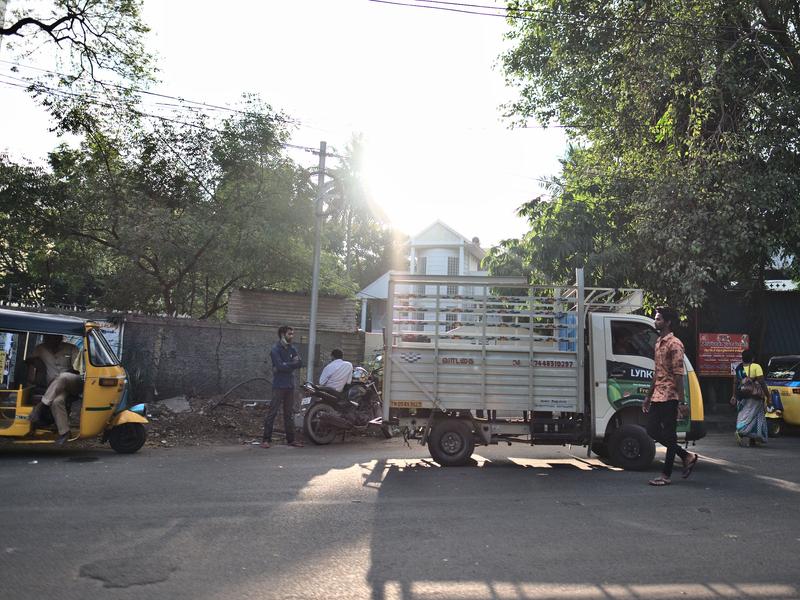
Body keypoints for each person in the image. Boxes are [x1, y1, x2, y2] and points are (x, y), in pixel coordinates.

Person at [642, 307, 698, 486]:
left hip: (671, 396)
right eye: (655, 319)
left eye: (658, 319)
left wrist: (682, 402)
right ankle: (686, 456)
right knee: (651, 430)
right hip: (658, 395)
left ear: (668, 322)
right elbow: (657, 372)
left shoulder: (675, 344)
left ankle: (665, 475)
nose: (655, 322)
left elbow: (678, 375)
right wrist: (648, 396)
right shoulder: (659, 342)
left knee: (669, 435)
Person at [27, 334, 82, 445]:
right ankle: (65, 432)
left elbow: (77, 370)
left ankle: (40, 407)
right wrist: (36, 365)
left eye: (53, 338)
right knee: (57, 401)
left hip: (72, 382)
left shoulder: (72, 348)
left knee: (62, 377)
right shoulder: (40, 348)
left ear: (60, 338)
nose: (49, 341)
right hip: (55, 388)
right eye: (47, 338)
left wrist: (57, 379)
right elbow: (30, 361)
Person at [261, 325, 304, 449]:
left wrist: (286, 364)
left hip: (290, 385)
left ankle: (291, 440)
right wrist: (290, 365)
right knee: (272, 412)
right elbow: (279, 366)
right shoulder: (275, 349)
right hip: (279, 385)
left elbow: (299, 363)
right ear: (282, 334)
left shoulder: (292, 348)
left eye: (292, 333)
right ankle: (266, 440)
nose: (292, 336)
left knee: (288, 414)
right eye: (290, 334)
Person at [731, 349, 769, 446]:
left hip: (742, 396)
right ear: (752, 358)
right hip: (754, 396)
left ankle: (752, 439)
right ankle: (740, 432)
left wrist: (734, 396)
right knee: (753, 416)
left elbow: (735, 383)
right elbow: (762, 382)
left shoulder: (738, 368)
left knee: (744, 415)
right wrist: (768, 395)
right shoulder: (756, 366)